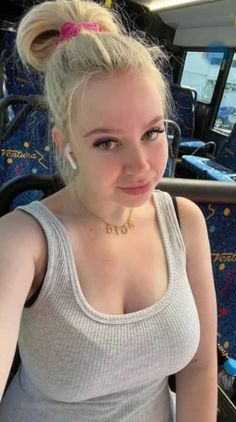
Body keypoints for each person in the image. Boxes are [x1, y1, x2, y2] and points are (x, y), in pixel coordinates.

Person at [0, 0, 217, 421]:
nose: (141, 165)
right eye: (106, 141)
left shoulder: (185, 221)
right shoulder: (23, 242)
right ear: (68, 145)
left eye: (153, 132)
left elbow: (199, 366)